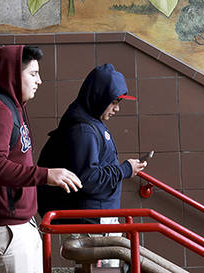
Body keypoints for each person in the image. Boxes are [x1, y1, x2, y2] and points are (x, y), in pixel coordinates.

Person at [0, 45, 82, 273]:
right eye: (33, 74)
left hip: (17, 224)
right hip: (6, 228)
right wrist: (46, 175)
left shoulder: (11, 108)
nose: (39, 81)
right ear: (12, 75)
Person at [37, 63, 146, 268]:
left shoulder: (90, 121)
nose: (117, 108)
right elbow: (86, 179)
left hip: (98, 222)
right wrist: (124, 170)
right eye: (114, 102)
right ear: (99, 97)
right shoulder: (83, 130)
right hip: (94, 225)